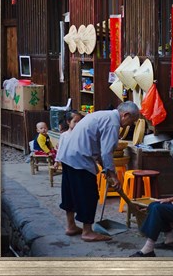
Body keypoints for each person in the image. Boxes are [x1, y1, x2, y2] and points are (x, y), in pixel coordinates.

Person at [57, 101, 140, 241]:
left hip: (68, 155)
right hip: (79, 158)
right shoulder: (113, 122)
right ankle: (87, 231)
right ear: (125, 115)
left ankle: (71, 226)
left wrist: (106, 169)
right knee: (89, 195)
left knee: (70, 191)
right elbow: (107, 152)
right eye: (132, 121)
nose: (129, 125)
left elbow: (100, 149)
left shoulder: (102, 115)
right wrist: (112, 175)